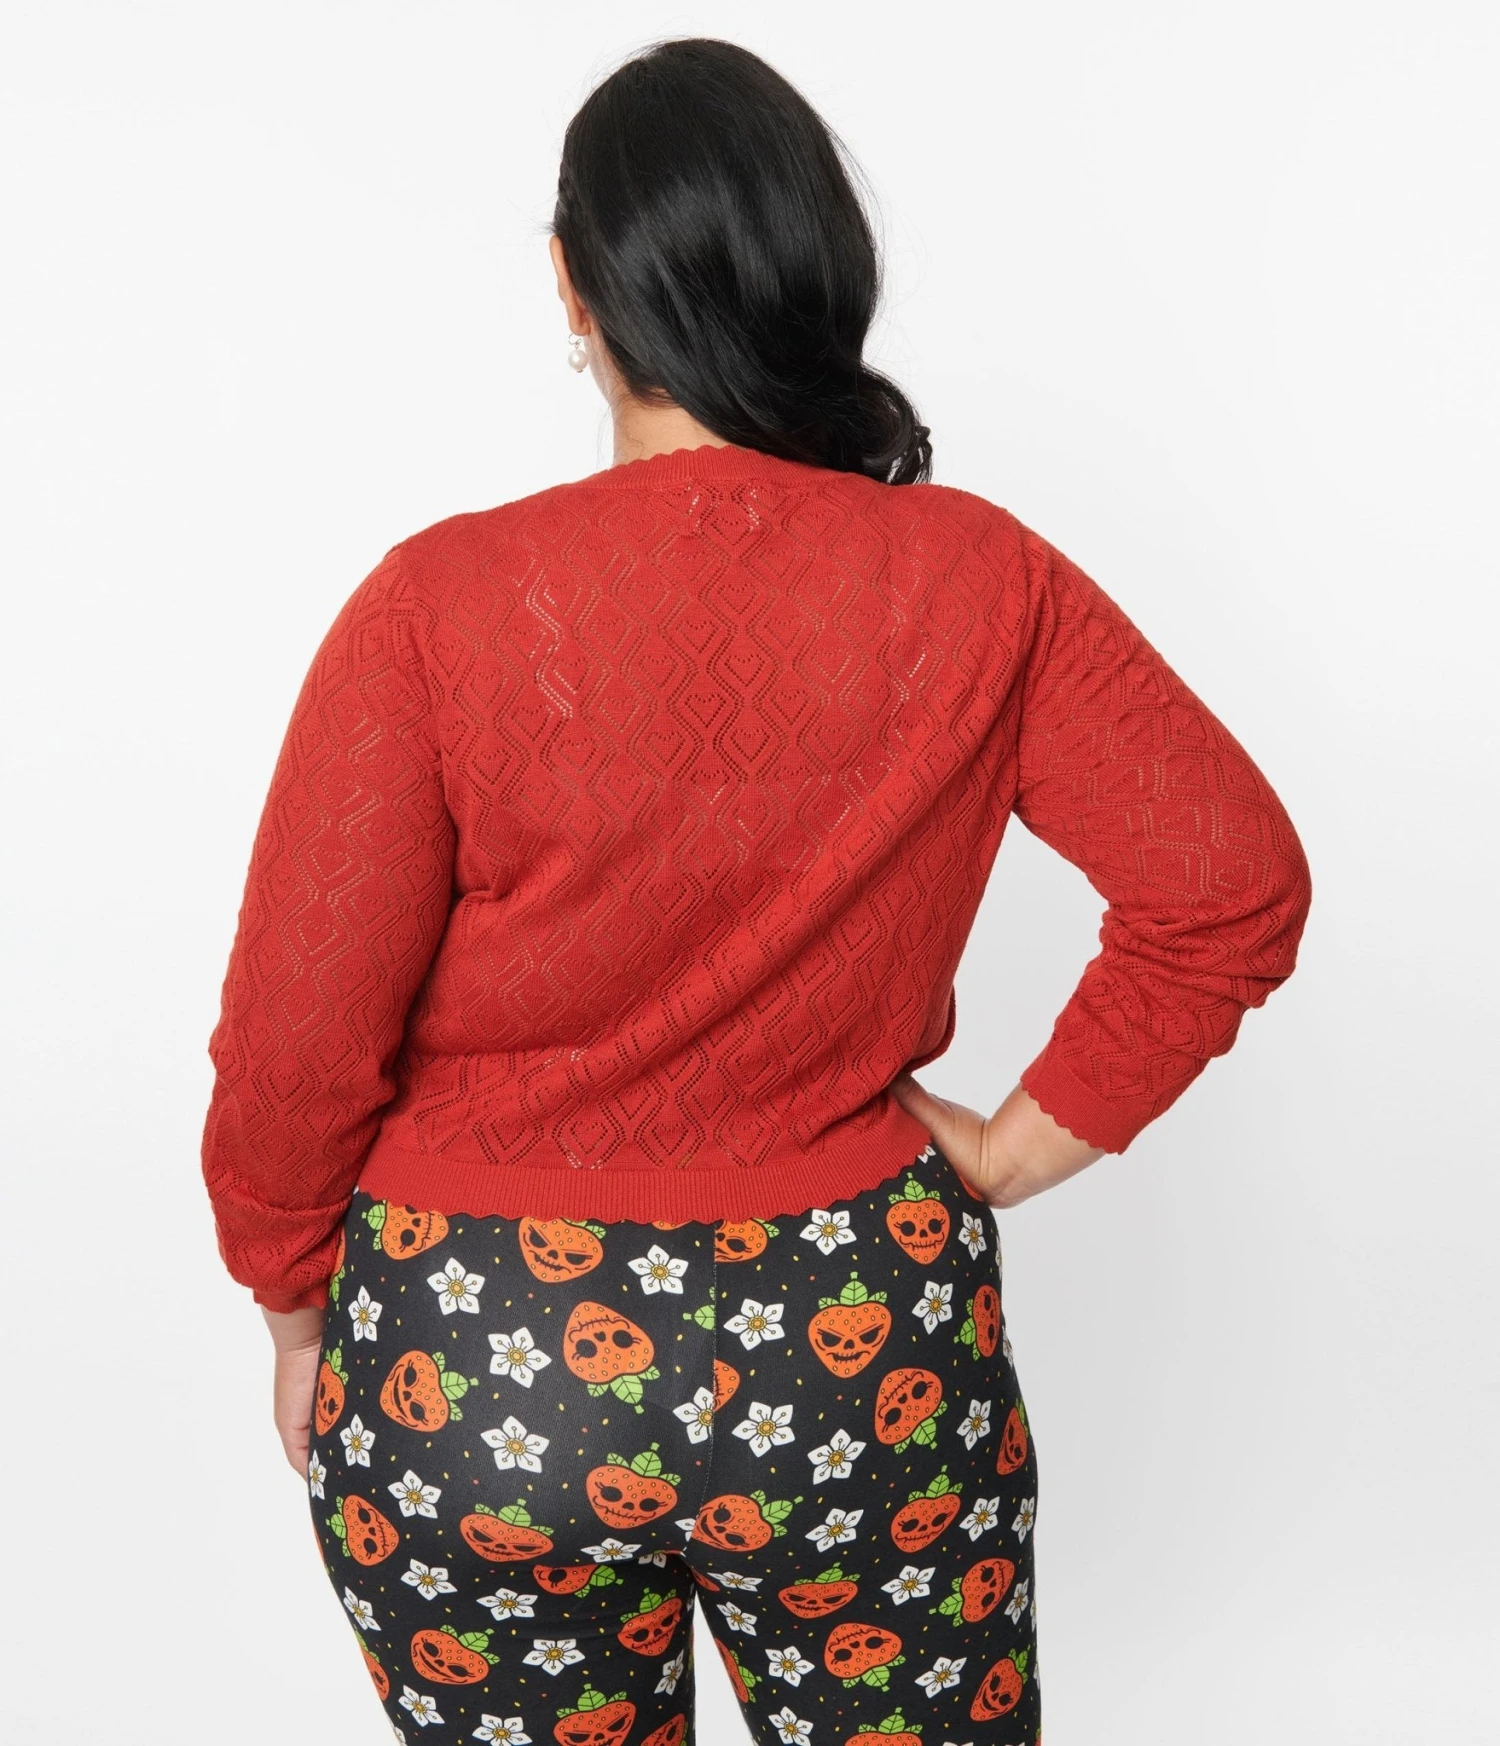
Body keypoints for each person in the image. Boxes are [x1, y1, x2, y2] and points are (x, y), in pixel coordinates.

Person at [199, 36, 1312, 1745]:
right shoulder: (983, 578)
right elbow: (1231, 879)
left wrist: (296, 1311)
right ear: (818, 271)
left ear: (572, 285)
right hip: (855, 1342)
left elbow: (293, 1048)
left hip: (475, 1359)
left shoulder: (435, 607)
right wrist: (1011, 1149)